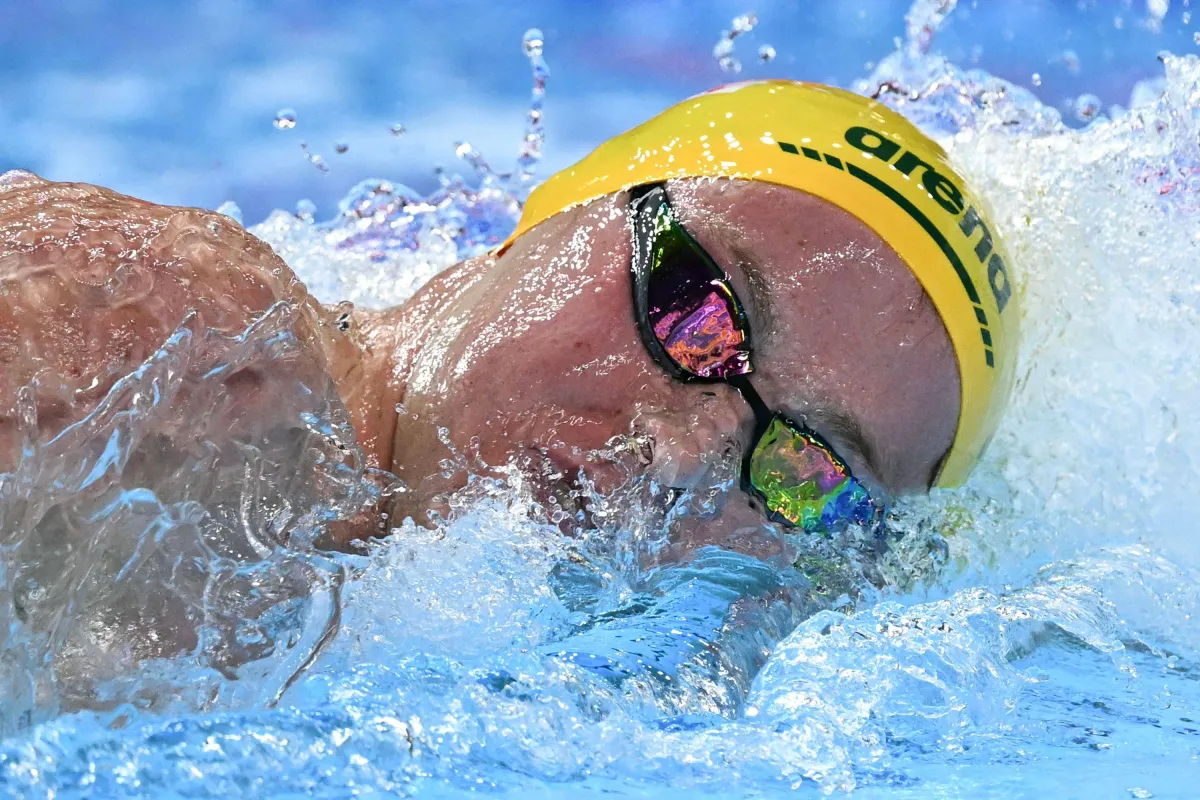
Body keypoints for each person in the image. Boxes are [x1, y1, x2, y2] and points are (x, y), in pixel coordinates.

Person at [0, 80, 1018, 559]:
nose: (680, 455)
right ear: (556, 212)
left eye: (806, 468)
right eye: (695, 306)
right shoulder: (190, 354)